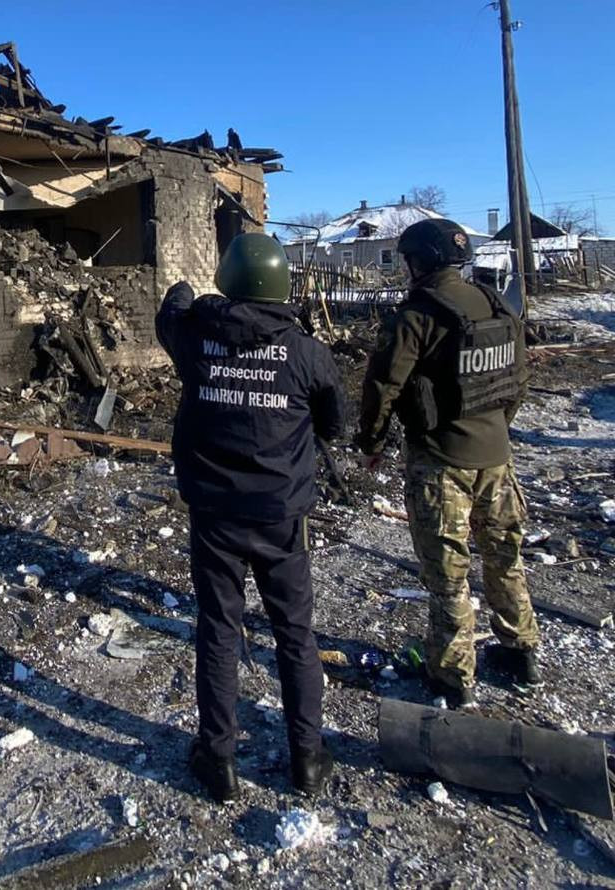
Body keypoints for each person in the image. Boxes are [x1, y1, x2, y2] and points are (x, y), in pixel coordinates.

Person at [156, 233, 344, 802]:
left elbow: (171, 311)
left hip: (215, 514)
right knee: (294, 633)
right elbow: (333, 425)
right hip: (281, 516)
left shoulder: (195, 338)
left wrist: (186, 289)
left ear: (228, 280)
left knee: (219, 628)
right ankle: (307, 758)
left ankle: (218, 759)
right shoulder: (307, 353)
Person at [356, 218, 539, 708]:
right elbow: (518, 380)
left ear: (420, 262)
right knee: (505, 558)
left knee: (447, 575)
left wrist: (371, 442)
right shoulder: (498, 305)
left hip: (441, 463)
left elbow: (383, 386)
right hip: (497, 459)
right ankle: (522, 652)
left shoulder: (416, 315)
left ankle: (452, 676)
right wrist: (495, 427)